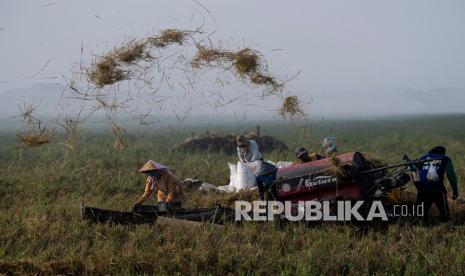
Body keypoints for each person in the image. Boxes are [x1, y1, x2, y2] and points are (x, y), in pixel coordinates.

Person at [415, 146, 459, 222]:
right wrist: (455, 191)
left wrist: (419, 187)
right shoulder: (445, 158)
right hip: (438, 190)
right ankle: (442, 222)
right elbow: (451, 176)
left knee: (420, 217)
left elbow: (416, 173)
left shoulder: (422, 158)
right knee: (445, 216)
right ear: (442, 153)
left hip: (422, 191)